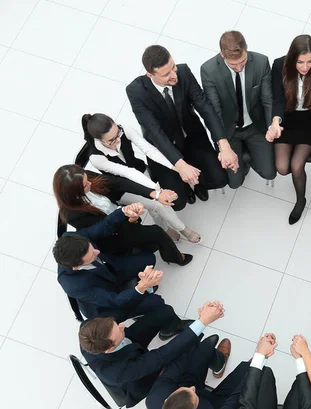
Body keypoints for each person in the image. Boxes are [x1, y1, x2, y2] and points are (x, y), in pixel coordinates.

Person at [53, 205, 190, 337]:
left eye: (92, 247)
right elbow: (114, 301)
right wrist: (141, 287)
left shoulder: (72, 239)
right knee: (156, 302)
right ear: (76, 267)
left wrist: (124, 211)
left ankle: (140, 292)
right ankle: (170, 327)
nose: (97, 251)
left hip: (110, 269)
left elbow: (102, 227)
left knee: (148, 259)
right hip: (107, 304)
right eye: (92, 255)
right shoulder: (73, 284)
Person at [126, 45, 238, 204]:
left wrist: (223, 144)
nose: (173, 75)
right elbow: (154, 131)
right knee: (178, 202)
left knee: (220, 179)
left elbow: (205, 107)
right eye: (166, 74)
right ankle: (185, 187)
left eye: (173, 67)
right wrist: (180, 165)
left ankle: (198, 184)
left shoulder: (183, 72)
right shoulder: (135, 91)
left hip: (190, 136)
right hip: (163, 145)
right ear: (150, 75)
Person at [81, 112, 201, 243]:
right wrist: (157, 191)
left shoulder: (124, 130)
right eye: (112, 140)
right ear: (99, 140)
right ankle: (183, 229)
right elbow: (127, 173)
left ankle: (164, 228)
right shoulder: (96, 157)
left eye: (118, 133)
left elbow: (150, 151)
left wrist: (179, 168)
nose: (118, 139)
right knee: (158, 205)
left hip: (139, 171)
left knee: (154, 206)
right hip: (121, 187)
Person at [78, 302, 223, 407]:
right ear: (109, 348)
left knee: (164, 311)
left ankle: (171, 328)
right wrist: (202, 321)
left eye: (116, 324)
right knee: (187, 349)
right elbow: (161, 355)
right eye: (119, 331)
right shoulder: (116, 373)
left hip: (130, 345)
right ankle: (217, 362)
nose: (122, 326)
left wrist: (143, 287)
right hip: (139, 380)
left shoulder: (89, 327)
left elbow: (122, 312)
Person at [53, 164, 192, 265]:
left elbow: (118, 183)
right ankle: (175, 257)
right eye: (84, 185)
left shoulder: (85, 177)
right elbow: (104, 229)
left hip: (119, 215)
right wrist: (127, 217)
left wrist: (154, 194)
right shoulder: (72, 214)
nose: (89, 183)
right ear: (74, 192)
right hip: (112, 235)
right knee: (157, 232)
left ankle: (146, 245)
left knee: (146, 233)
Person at [267, 35, 311, 224]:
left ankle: (300, 200)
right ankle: (299, 194)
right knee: (282, 168)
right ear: (292, 59)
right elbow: (278, 98)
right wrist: (275, 120)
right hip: (287, 117)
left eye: (309, 61)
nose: (306, 67)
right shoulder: (279, 65)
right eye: (300, 62)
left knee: (297, 166)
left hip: (310, 119)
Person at [146, 326, 249, 409]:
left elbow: (175, 366)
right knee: (245, 377)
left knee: (201, 351)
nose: (192, 388)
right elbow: (232, 405)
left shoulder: (154, 398)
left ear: (166, 399)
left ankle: (218, 363)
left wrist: (194, 339)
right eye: (193, 393)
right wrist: (255, 365)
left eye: (184, 390)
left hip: (189, 408)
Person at [200, 31, 276, 188]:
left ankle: (246, 155)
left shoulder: (261, 62)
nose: (239, 68)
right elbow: (215, 112)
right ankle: (242, 159)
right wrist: (223, 145)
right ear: (222, 55)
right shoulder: (209, 70)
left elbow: (267, 100)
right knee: (235, 183)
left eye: (242, 61)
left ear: (246, 48)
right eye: (233, 65)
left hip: (255, 126)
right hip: (229, 131)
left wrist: (270, 127)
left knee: (269, 172)